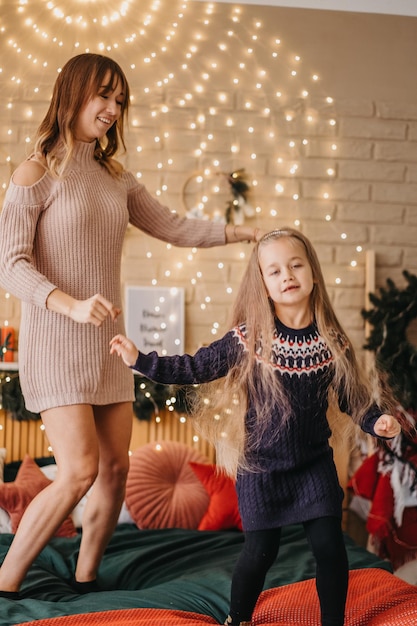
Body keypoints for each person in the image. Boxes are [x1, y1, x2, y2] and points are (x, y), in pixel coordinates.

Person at [0, 52, 263, 599]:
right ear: (73, 94)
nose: (113, 110)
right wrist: (68, 304)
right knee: (78, 470)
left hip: (106, 346)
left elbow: (173, 225)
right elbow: (10, 263)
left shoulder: (115, 178)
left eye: (120, 101)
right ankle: (5, 583)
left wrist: (241, 234)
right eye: (104, 96)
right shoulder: (36, 172)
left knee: (115, 468)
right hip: (56, 343)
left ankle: (86, 579)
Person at [110, 228, 402, 626]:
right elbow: (196, 367)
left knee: (330, 547)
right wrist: (141, 360)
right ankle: (239, 617)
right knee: (260, 553)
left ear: (313, 273)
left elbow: (352, 398)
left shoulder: (332, 342)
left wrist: (375, 420)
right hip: (261, 470)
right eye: (275, 270)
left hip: (313, 465)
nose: (288, 275)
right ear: (263, 284)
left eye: (296, 265)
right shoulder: (248, 338)